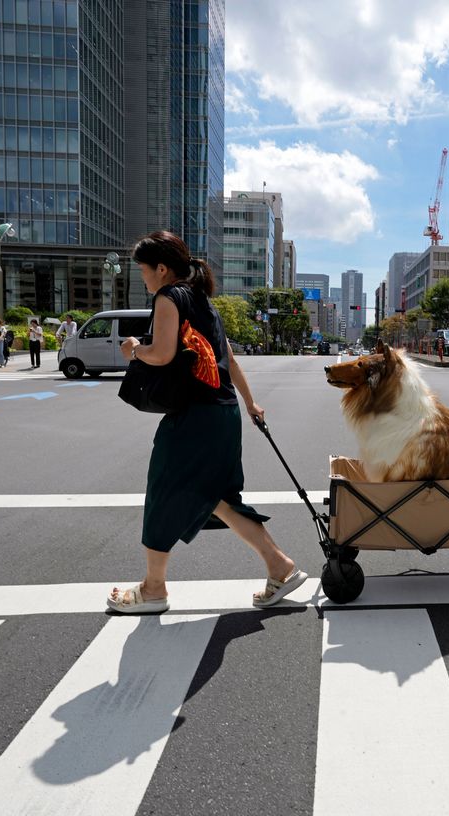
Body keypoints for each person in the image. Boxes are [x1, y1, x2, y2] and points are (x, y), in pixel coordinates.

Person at [107, 230, 306, 614]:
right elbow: (226, 358)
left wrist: (134, 350)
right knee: (216, 499)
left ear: (162, 269)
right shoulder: (203, 302)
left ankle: (153, 589)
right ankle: (280, 566)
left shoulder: (168, 297)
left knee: (165, 490)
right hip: (224, 412)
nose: (143, 279)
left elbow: (162, 355)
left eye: (144, 271)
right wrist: (250, 403)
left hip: (195, 416)